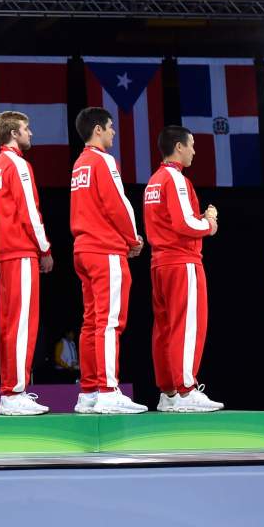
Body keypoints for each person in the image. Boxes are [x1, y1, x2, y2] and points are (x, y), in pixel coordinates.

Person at [70, 107, 147, 414]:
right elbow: (119, 205)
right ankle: (108, 390)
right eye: (111, 127)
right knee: (109, 323)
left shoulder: (79, 163)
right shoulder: (103, 160)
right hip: (105, 251)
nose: (114, 132)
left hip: (84, 249)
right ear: (98, 129)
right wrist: (134, 239)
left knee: (91, 323)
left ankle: (88, 391)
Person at [144, 126, 223, 412]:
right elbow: (184, 224)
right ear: (178, 147)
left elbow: (170, 222)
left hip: (160, 264)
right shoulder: (174, 178)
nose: (194, 151)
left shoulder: (153, 181)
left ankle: (169, 393)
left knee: (164, 329)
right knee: (188, 326)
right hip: (181, 263)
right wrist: (210, 224)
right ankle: (186, 390)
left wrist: (197, 218)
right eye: (191, 145)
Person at [0, 110, 53, 416]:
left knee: (10, 323)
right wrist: (45, 249)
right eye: (27, 129)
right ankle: (15, 392)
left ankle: (11, 391)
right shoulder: (17, 164)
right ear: (14, 133)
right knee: (22, 323)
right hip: (21, 251)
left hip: (5, 252)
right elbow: (30, 211)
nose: (31, 134)